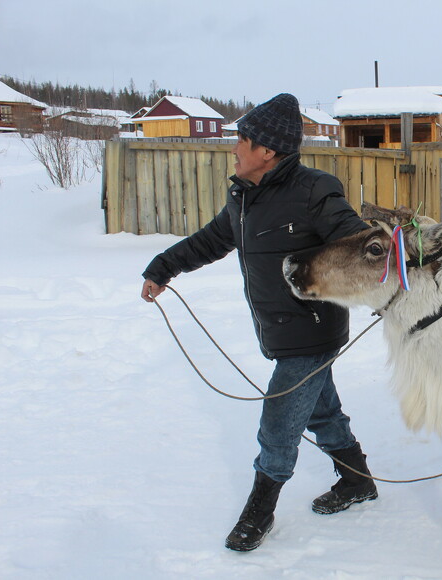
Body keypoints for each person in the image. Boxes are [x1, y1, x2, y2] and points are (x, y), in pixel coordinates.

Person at [140, 93, 378, 553]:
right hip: (279, 330)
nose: (235, 148)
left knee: (278, 423)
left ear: (266, 150)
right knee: (321, 409)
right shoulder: (245, 198)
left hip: (313, 330)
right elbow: (210, 240)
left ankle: (259, 512)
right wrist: (162, 267)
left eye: (242, 140)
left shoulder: (314, 190)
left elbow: (355, 241)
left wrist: (387, 259)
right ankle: (357, 482)